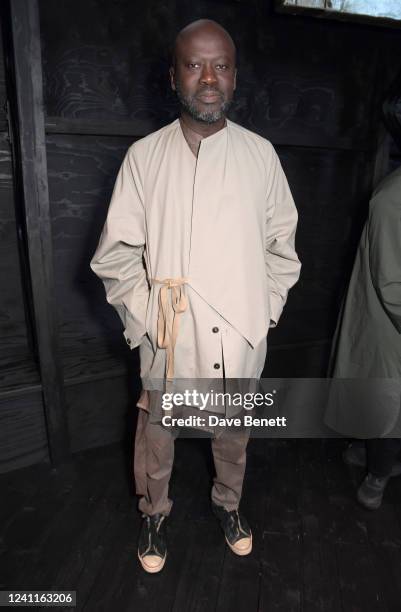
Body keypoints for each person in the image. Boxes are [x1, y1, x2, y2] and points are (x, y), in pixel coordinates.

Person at [90, 18, 301, 572]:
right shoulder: (143, 157)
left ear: (234, 77)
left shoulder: (261, 156)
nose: (209, 77)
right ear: (173, 75)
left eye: (221, 66)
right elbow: (114, 256)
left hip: (238, 335)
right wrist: (148, 319)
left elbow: (284, 250)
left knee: (234, 432)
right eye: (194, 64)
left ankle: (228, 504)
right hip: (169, 334)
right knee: (157, 432)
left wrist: (263, 312)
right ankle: (154, 512)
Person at [329, 162, 401, 510]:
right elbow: (391, 284)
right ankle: (378, 474)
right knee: (388, 399)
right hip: (388, 323)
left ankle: (370, 451)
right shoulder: (392, 199)